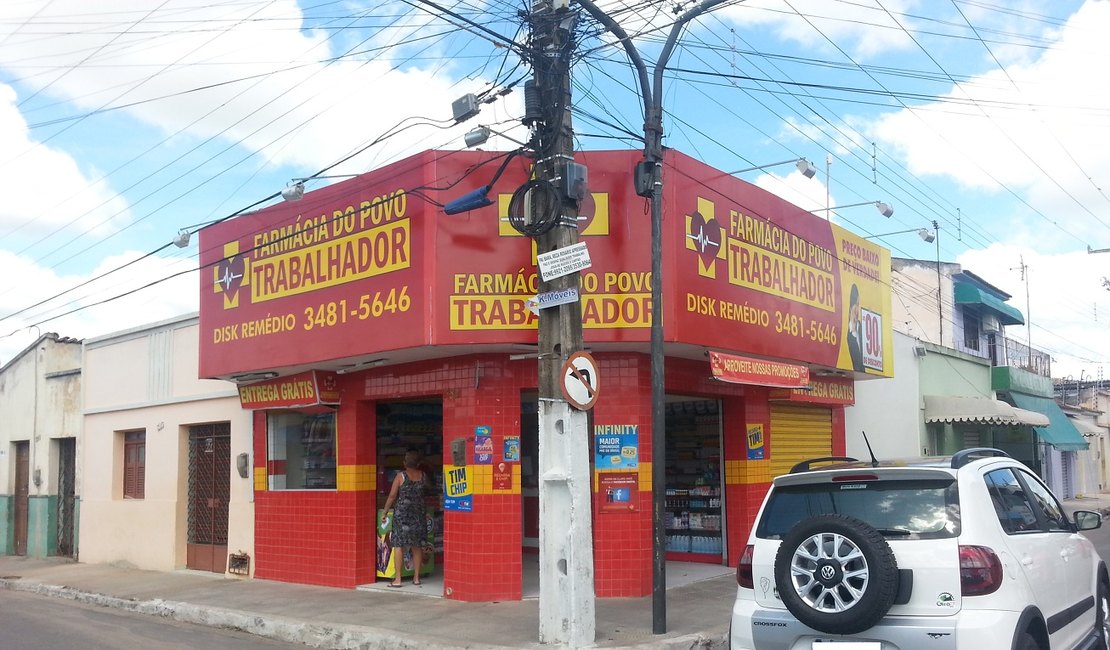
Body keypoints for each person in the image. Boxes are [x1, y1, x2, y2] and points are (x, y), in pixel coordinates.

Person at [380, 450, 427, 587]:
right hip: (418, 514)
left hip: (402, 515)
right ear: (417, 463)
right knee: (416, 545)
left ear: (405, 463)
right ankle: (416, 578)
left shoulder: (401, 476)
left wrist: (385, 511)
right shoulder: (423, 475)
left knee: (398, 545)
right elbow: (427, 490)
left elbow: (392, 496)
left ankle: (398, 579)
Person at [846, 284, 866, 372]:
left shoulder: (860, 326)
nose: (857, 309)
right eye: (856, 305)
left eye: (858, 305)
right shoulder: (850, 336)